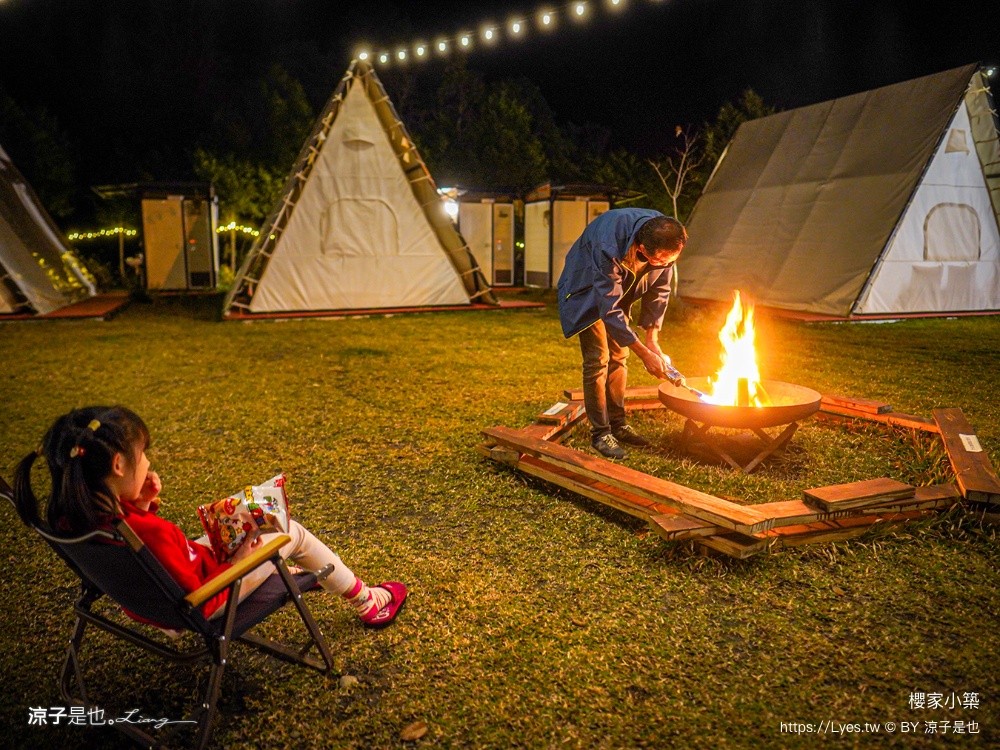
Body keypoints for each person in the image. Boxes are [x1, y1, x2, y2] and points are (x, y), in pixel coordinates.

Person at [13, 406, 407, 629]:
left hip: (150, 596)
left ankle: (310, 576)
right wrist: (236, 562)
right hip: (205, 598)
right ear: (118, 464)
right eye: (144, 454)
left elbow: (154, 550)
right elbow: (198, 602)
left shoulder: (75, 514)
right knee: (291, 533)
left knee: (249, 527)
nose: (149, 461)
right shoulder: (148, 534)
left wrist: (146, 501)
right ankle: (369, 601)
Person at [557, 208, 688, 460]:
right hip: (587, 290)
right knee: (599, 359)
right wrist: (644, 354)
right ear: (641, 248)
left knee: (620, 356)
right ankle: (601, 433)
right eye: (660, 260)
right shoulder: (609, 245)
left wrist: (653, 341)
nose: (665, 265)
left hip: (618, 294)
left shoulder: (664, 236)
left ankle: (618, 423)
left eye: (670, 261)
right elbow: (608, 307)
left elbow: (660, 291)